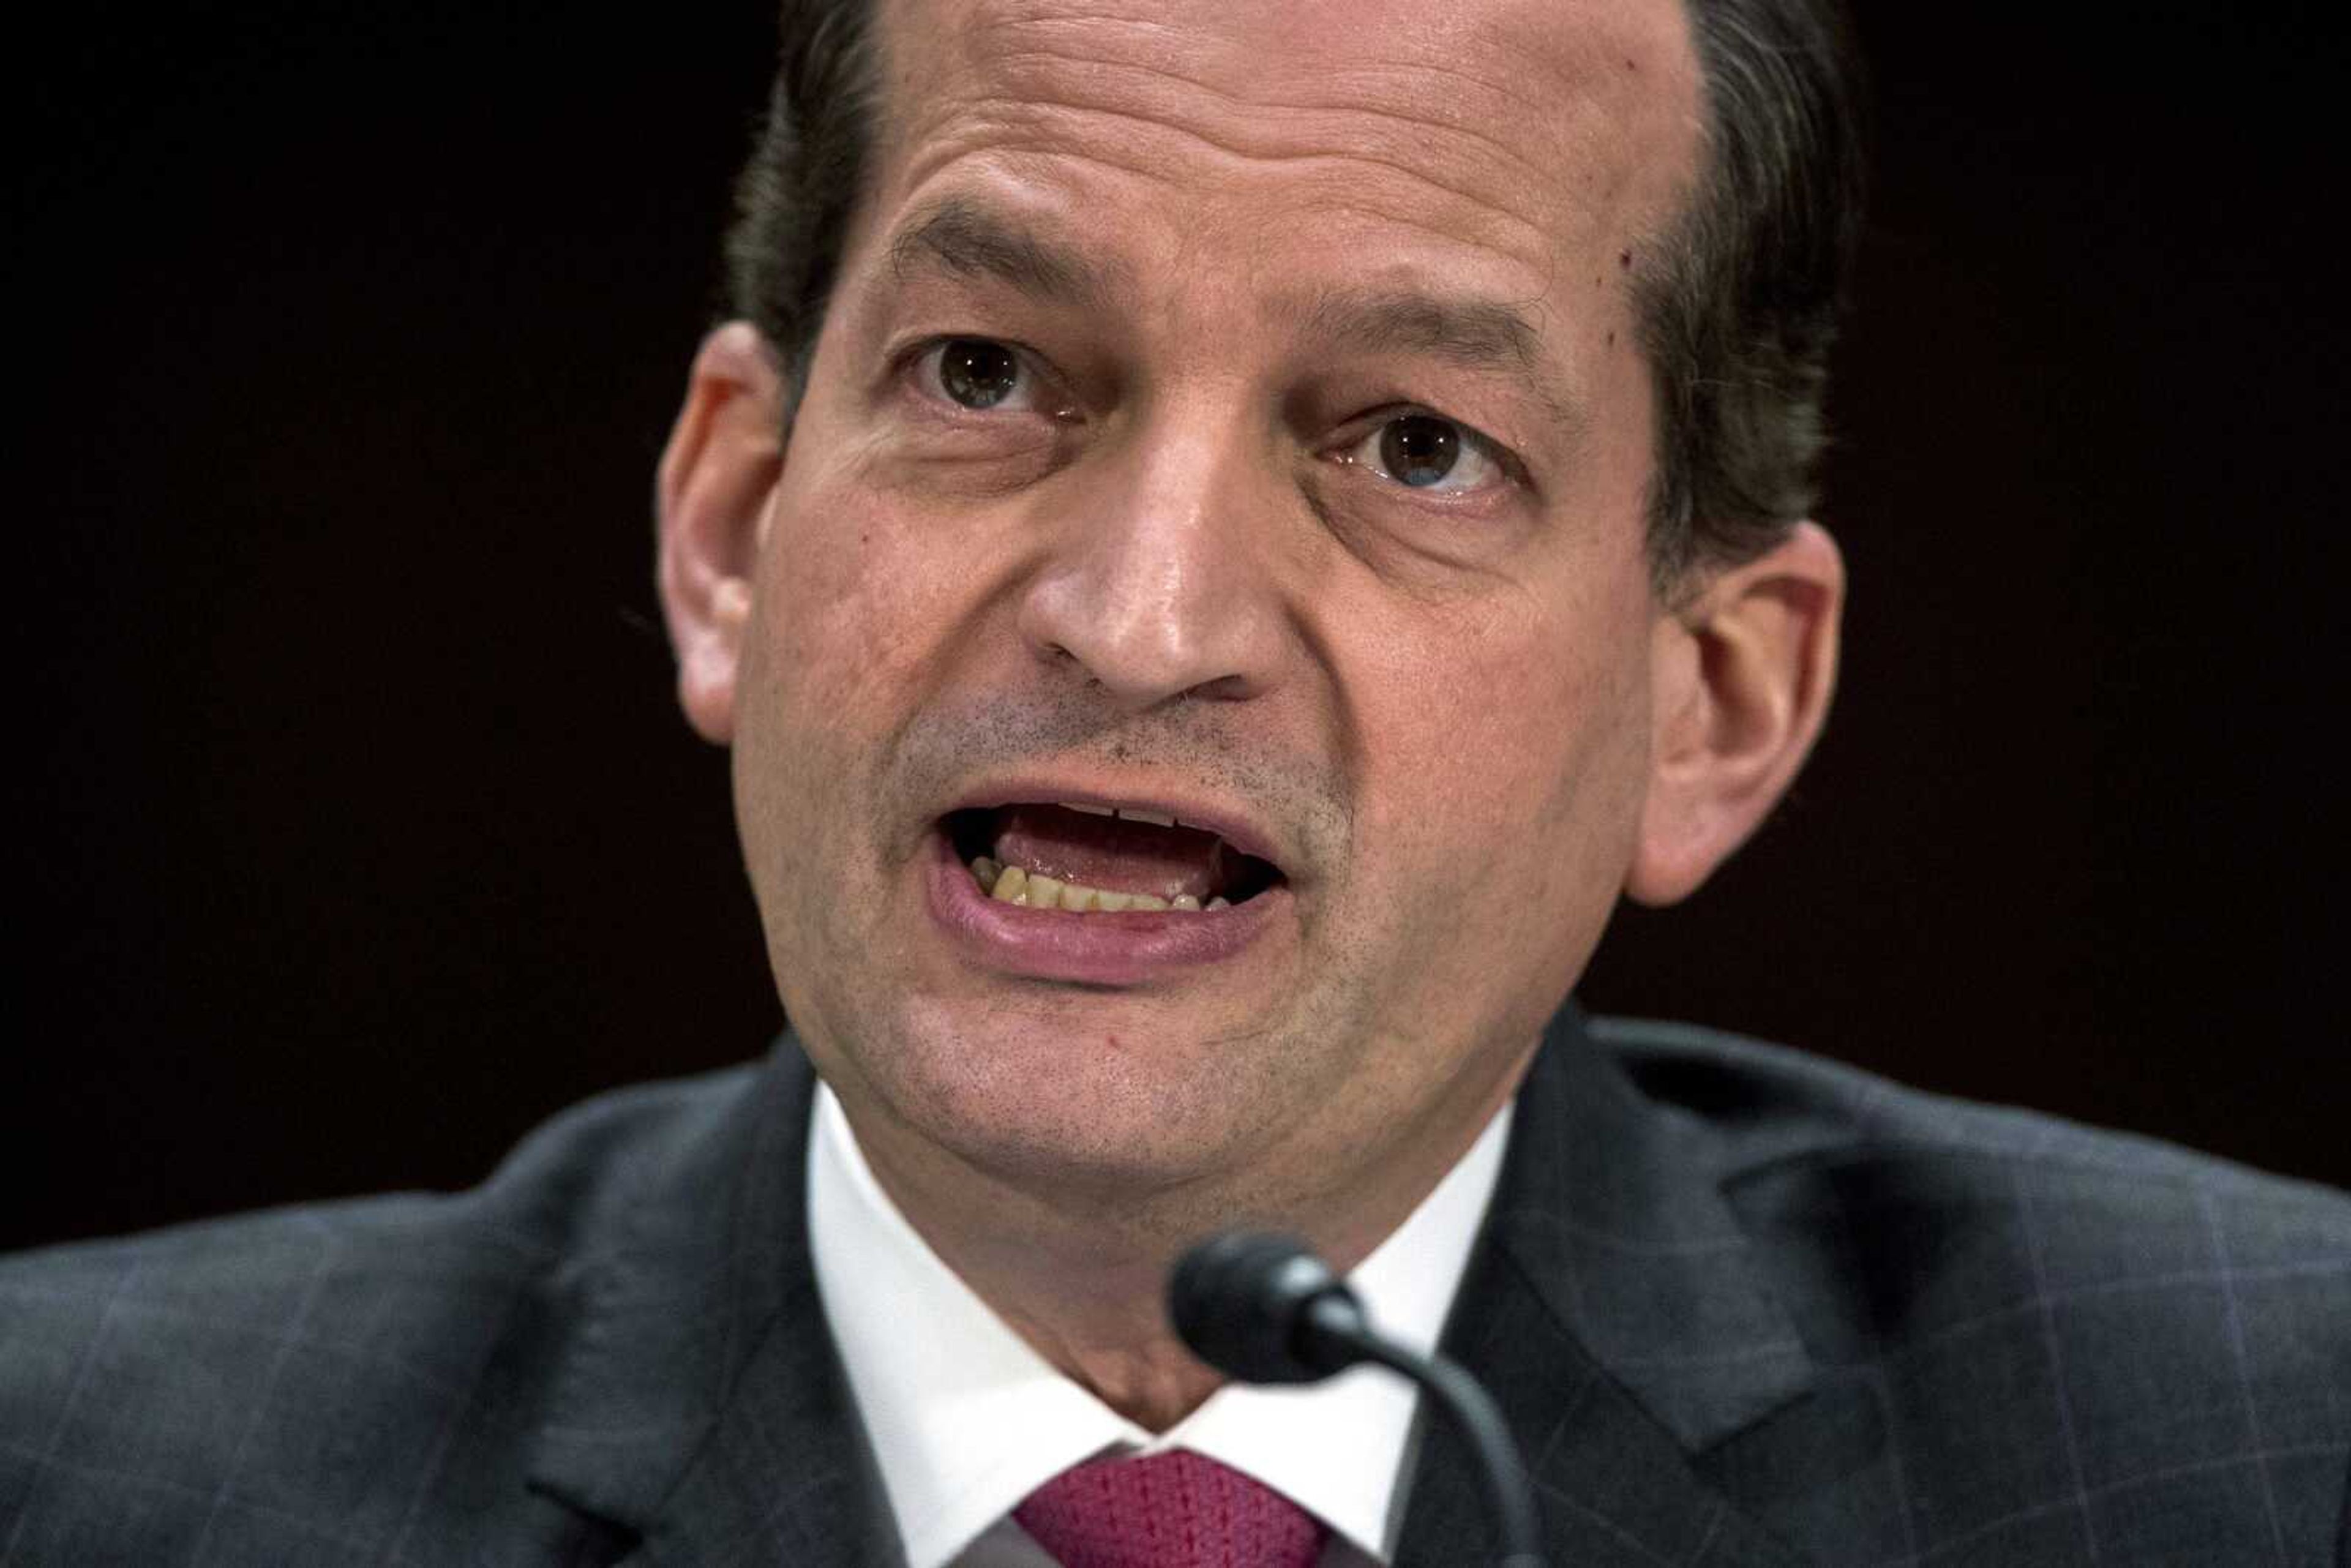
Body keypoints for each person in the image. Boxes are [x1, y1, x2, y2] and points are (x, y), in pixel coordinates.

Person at [3, 0, 2344, 1563]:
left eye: (1416, 445)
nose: (1137, 618)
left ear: (1714, 700)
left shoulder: (2248, 1442)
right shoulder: (82, 1473)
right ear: (728, 527)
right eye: (993, 368)